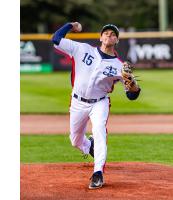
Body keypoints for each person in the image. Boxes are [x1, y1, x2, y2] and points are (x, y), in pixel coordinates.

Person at [52, 22, 141, 189]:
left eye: (113, 34)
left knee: (99, 130)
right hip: (77, 102)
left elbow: (132, 95)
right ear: (100, 37)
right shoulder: (82, 49)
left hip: (99, 103)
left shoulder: (119, 66)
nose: (109, 35)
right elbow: (56, 39)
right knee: (75, 140)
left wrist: (133, 84)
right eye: (106, 33)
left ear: (116, 41)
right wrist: (71, 25)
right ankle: (90, 146)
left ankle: (98, 172)